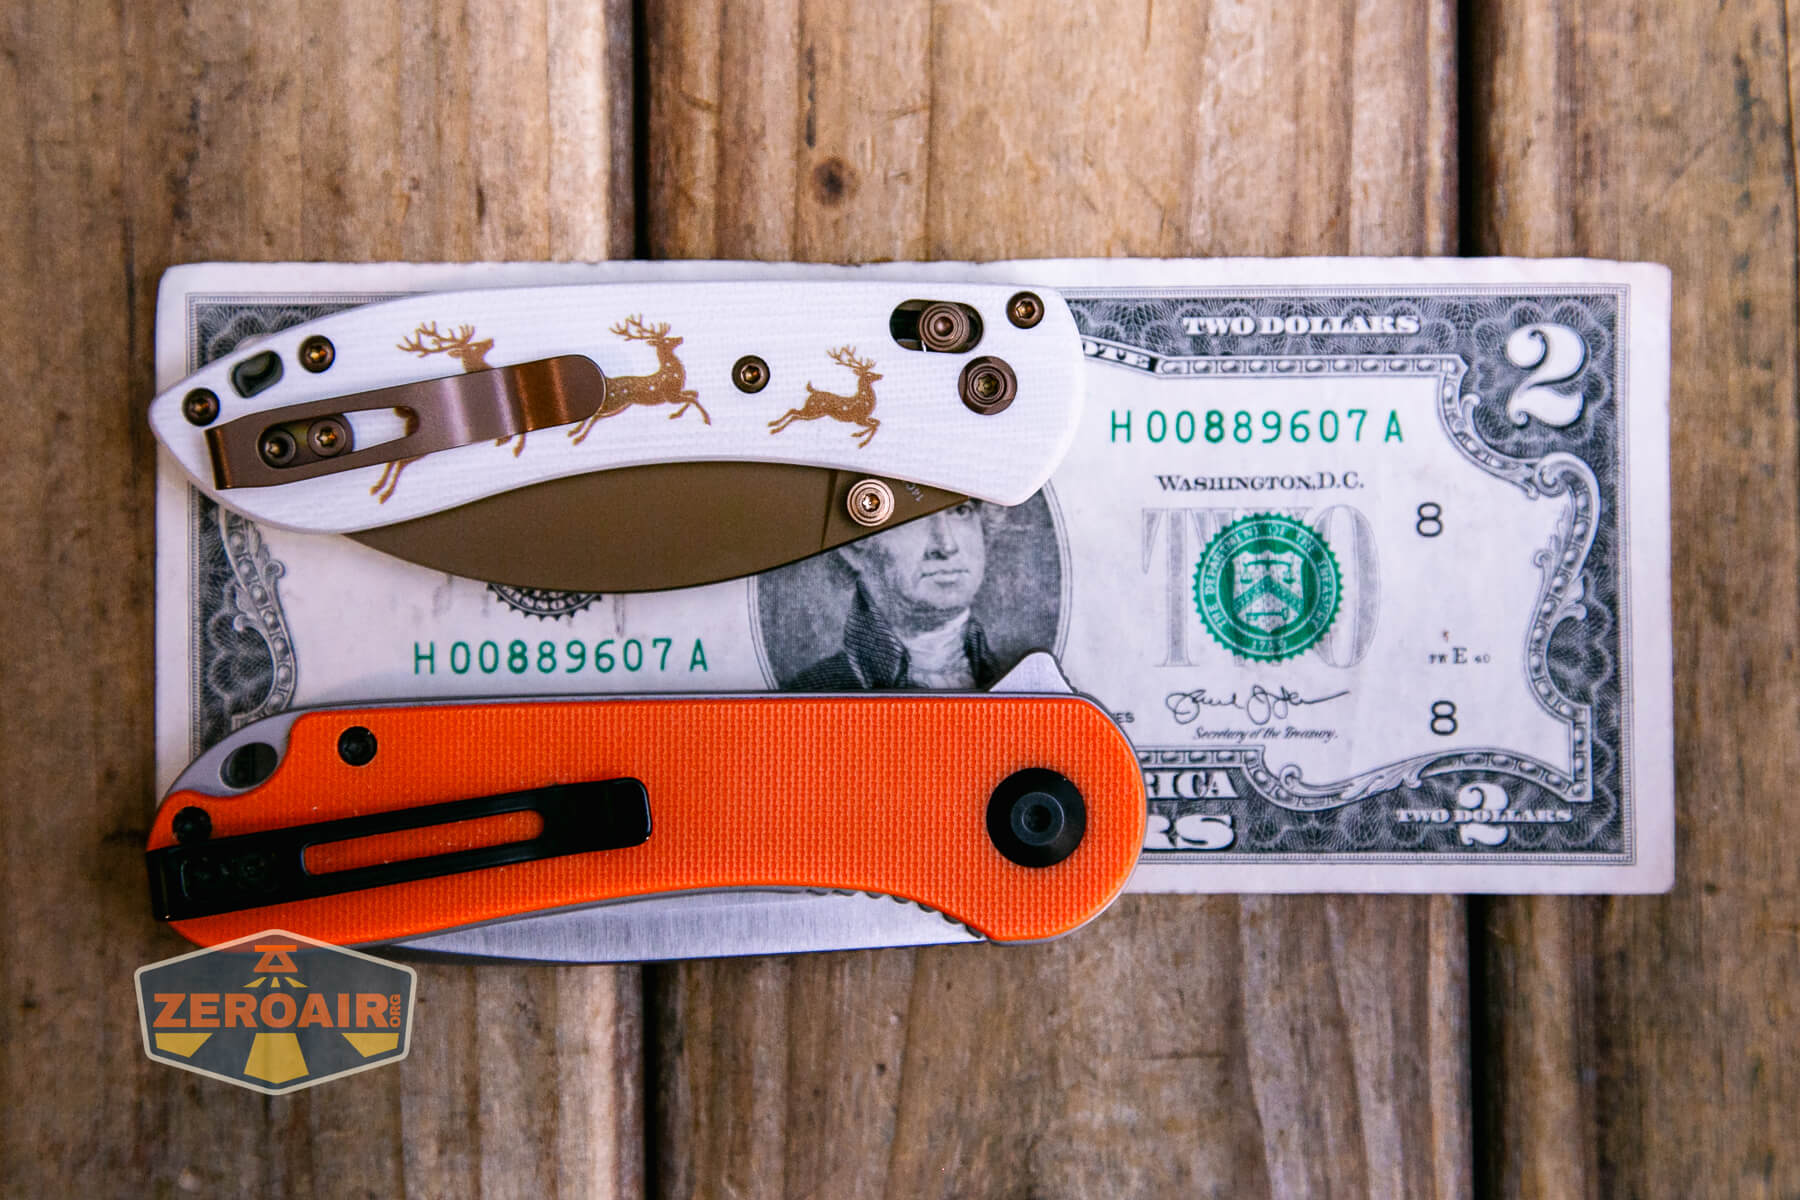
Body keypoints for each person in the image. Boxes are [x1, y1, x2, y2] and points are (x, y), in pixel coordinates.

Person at [790, 501, 1000, 689]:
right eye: (913, 515)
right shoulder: (812, 691)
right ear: (854, 545)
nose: (946, 545)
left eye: (961, 511)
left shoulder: (1008, 671)